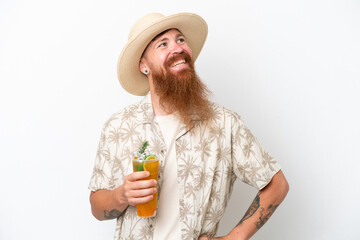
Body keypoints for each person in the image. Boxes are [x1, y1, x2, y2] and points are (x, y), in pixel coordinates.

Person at [89, 12, 289, 240]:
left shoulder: (224, 124)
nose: (177, 48)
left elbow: (277, 184)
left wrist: (235, 237)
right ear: (144, 66)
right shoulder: (119, 126)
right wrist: (122, 195)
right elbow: (97, 207)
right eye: (163, 44)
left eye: (181, 40)